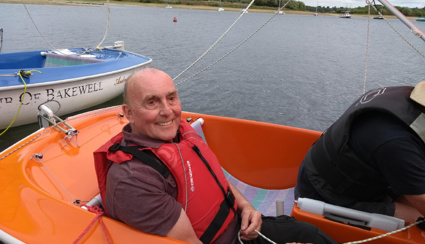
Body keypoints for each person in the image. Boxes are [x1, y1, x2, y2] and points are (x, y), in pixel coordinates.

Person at [94, 68, 337, 244]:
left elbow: (211, 176)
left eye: (171, 97)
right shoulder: (134, 179)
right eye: (152, 102)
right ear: (129, 113)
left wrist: (246, 207)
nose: (167, 111)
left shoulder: (177, 135)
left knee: (311, 235)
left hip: (241, 226)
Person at [295, 81, 425, 225]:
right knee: (420, 220)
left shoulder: (401, 100)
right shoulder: (398, 142)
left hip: (335, 173)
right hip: (323, 194)